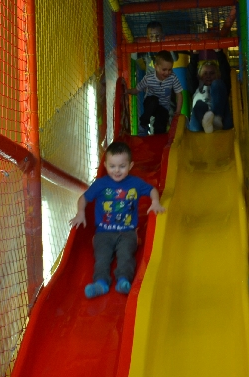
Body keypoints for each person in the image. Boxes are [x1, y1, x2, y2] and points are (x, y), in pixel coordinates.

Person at [70, 141, 165, 298]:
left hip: (127, 232)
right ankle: (101, 283)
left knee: (126, 255)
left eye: (122, 166)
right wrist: (80, 212)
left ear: (130, 165)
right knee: (101, 258)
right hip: (103, 233)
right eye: (112, 166)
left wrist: (155, 201)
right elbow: (84, 198)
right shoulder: (101, 184)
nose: (117, 170)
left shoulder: (135, 183)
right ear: (105, 165)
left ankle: (123, 280)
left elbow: (152, 190)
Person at [129, 51, 183, 135]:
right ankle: (143, 124)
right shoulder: (149, 77)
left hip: (163, 106)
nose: (167, 73)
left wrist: (178, 111)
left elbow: (179, 95)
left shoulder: (172, 77)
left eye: (169, 70)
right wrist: (127, 91)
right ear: (156, 67)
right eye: (164, 70)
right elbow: (136, 90)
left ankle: (158, 136)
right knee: (153, 101)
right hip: (150, 103)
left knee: (161, 124)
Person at [188, 60, 232, 133]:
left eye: (212, 73)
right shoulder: (196, 87)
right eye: (205, 73)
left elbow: (225, 71)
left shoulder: (221, 87)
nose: (208, 76)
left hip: (221, 123)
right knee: (199, 104)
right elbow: (191, 74)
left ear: (218, 75)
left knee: (217, 84)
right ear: (200, 76)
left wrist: (220, 54)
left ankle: (217, 119)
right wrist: (194, 56)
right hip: (199, 125)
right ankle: (207, 123)